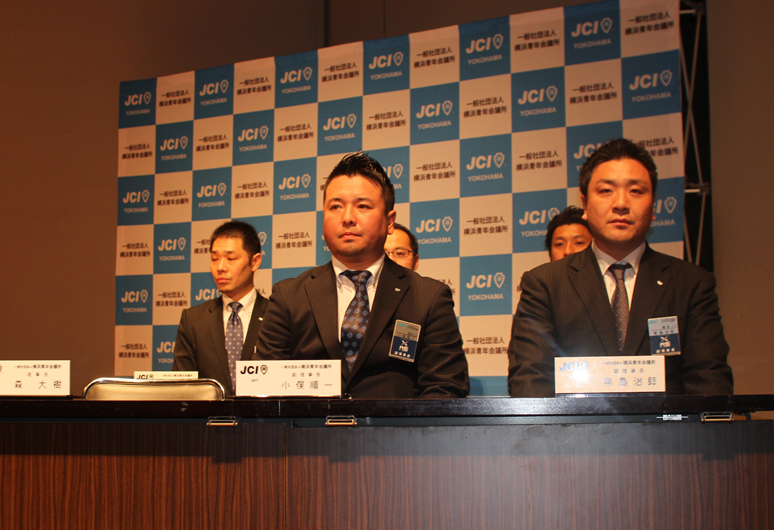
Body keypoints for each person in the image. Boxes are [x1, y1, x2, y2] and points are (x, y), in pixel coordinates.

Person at [508, 138, 733, 397]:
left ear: (653, 204)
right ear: (585, 204)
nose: (621, 204)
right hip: (572, 425)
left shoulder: (691, 284)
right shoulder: (545, 284)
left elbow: (709, 380)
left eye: (635, 191)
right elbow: (531, 382)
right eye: (606, 191)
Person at [256, 152, 469, 398]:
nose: (347, 218)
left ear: (390, 221)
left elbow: (445, 389)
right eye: (335, 206)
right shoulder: (289, 296)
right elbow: (262, 388)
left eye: (362, 206)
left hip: (396, 424)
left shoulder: (428, 297)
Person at [173, 221, 268, 395]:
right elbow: (182, 388)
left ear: (255, 262)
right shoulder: (193, 320)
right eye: (214, 259)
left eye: (231, 259)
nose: (220, 267)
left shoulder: (276, 315)